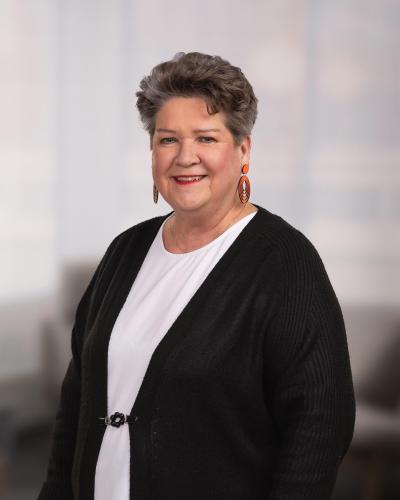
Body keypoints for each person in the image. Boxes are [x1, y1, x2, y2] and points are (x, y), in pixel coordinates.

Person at [38, 52, 355, 500]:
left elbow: (320, 427)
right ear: (152, 151)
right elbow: (77, 403)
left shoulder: (285, 263)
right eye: (168, 139)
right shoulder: (126, 250)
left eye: (206, 138)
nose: (185, 157)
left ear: (243, 150)